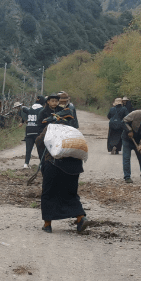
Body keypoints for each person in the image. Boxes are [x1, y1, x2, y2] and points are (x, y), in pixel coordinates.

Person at [37, 95, 88, 233]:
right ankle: (80, 218)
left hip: (54, 165)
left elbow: (39, 142)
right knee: (71, 193)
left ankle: (47, 224)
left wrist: (43, 162)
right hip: (74, 167)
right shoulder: (74, 131)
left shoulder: (51, 128)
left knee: (48, 193)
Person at [21, 96, 44, 168]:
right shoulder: (42, 110)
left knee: (28, 149)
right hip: (38, 132)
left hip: (29, 131)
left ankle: (26, 164)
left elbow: (23, 109)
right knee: (40, 149)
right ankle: (41, 164)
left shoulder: (29, 109)